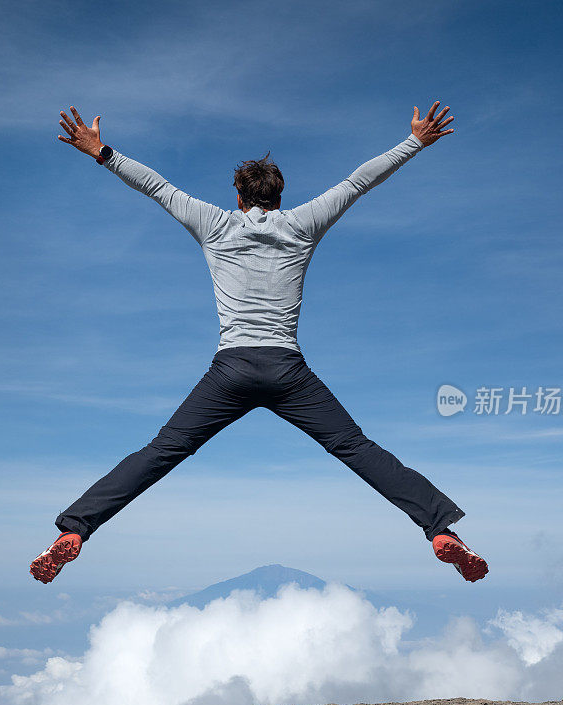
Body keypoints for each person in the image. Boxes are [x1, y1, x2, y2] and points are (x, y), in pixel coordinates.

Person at [30, 102, 488, 585]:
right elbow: (358, 182)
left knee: (164, 449)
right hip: (287, 370)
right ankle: (440, 529)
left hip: (231, 369)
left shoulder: (215, 224)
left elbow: (156, 186)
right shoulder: (302, 224)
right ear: (280, 194)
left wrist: (99, 151)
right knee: (355, 447)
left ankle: (77, 530)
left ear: (238, 195)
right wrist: (414, 142)